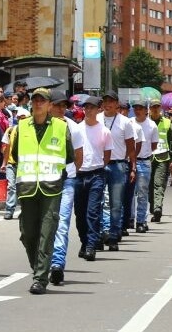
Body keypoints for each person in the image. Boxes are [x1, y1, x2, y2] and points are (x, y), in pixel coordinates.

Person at [8, 88, 74, 295]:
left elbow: (69, 157)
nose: (38, 104)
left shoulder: (61, 128)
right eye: (34, 100)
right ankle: (38, 267)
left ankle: (40, 278)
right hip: (27, 188)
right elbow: (16, 155)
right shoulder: (20, 127)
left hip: (51, 188)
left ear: (49, 105)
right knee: (28, 234)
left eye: (42, 101)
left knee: (47, 234)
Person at [48, 90, 84, 287]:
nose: (61, 109)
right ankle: (43, 261)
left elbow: (78, 156)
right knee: (42, 225)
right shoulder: (39, 126)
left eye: (64, 105)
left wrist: (70, 173)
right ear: (48, 105)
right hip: (43, 182)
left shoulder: (73, 128)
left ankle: (57, 264)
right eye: (57, 105)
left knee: (61, 222)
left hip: (67, 181)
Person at [73, 96, 110, 262]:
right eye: (86, 107)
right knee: (79, 214)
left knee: (92, 212)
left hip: (96, 174)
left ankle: (91, 246)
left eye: (92, 107)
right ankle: (84, 241)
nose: (88, 110)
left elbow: (107, 155)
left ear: (98, 110)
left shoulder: (104, 131)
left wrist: (98, 166)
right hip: (79, 175)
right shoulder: (77, 129)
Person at [101, 90, 136, 251]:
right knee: (98, 202)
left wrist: (133, 167)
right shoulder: (96, 119)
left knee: (116, 203)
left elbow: (131, 147)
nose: (107, 104)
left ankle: (114, 236)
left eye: (111, 101)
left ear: (117, 104)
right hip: (99, 165)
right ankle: (101, 233)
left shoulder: (125, 122)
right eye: (105, 101)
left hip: (118, 165)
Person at [130, 99, 159, 233]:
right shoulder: (129, 123)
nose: (137, 111)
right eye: (136, 108)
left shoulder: (152, 125)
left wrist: (143, 152)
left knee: (142, 193)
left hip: (144, 161)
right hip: (130, 161)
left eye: (140, 108)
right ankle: (130, 218)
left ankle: (141, 221)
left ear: (146, 110)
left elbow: (154, 146)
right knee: (130, 193)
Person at [148, 98, 172, 222]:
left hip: (163, 158)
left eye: (157, 107)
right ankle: (153, 205)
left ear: (160, 108)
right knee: (148, 186)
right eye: (153, 107)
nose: (155, 109)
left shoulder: (166, 122)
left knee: (158, 184)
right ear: (150, 109)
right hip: (147, 158)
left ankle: (157, 208)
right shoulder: (145, 122)